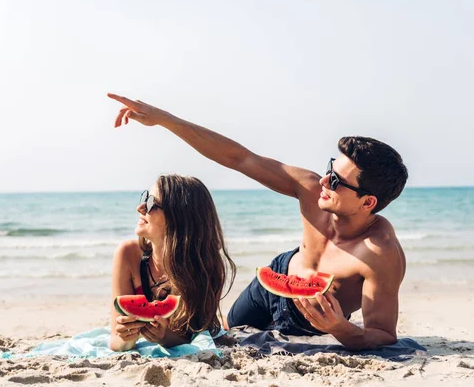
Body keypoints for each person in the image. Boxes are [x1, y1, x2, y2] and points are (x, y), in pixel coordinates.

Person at [108, 93, 408, 351]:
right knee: (226, 335)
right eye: (330, 167)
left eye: (338, 181)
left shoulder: (380, 252)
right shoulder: (310, 187)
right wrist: (164, 119)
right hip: (276, 278)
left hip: (309, 318)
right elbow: (239, 158)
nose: (325, 180)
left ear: (368, 202)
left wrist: (340, 329)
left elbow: (383, 334)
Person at [109, 174, 236, 352]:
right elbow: (116, 341)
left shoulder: (204, 268)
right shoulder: (128, 255)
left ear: (178, 217)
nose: (140, 207)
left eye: (152, 202)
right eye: (145, 197)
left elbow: (194, 334)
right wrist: (126, 338)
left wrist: (163, 336)